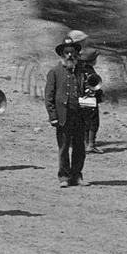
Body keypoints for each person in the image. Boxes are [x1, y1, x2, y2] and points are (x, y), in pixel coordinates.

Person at [44, 37, 87, 187]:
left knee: (79, 147)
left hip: (79, 115)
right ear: (61, 54)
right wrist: (53, 116)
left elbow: (91, 92)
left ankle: (77, 176)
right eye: (66, 52)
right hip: (63, 116)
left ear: (76, 54)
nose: (70, 55)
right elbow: (48, 96)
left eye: (72, 52)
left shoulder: (82, 71)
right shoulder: (54, 72)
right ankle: (64, 177)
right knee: (63, 147)